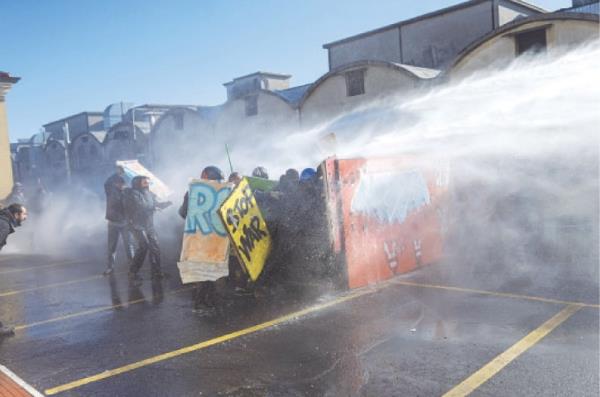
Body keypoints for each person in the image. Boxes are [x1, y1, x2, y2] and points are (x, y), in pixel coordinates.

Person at [178, 166, 225, 314]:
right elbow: (183, 212)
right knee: (205, 271)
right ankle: (200, 303)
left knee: (210, 271)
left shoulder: (213, 192)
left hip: (212, 237)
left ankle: (208, 300)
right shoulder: (194, 192)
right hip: (201, 237)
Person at [124, 176, 171, 282]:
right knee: (143, 247)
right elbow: (140, 206)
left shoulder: (149, 193)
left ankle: (157, 272)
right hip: (137, 225)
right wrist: (154, 207)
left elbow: (154, 204)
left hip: (149, 225)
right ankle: (132, 272)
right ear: (137, 183)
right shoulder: (132, 194)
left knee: (155, 247)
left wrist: (166, 204)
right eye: (144, 182)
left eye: (147, 182)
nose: (147, 184)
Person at [0, 203, 28, 337]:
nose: (25, 217)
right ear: (16, 214)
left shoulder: (3, 220)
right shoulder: (3, 225)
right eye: (24, 214)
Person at [103, 173, 135, 276]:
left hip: (124, 223)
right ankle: (110, 267)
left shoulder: (127, 193)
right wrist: (117, 173)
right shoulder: (110, 191)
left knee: (129, 246)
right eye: (118, 183)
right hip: (112, 222)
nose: (120, 185)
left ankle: (133, 268)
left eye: (122, 184)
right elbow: (107, 183)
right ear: (115, 184)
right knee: (112, 246)